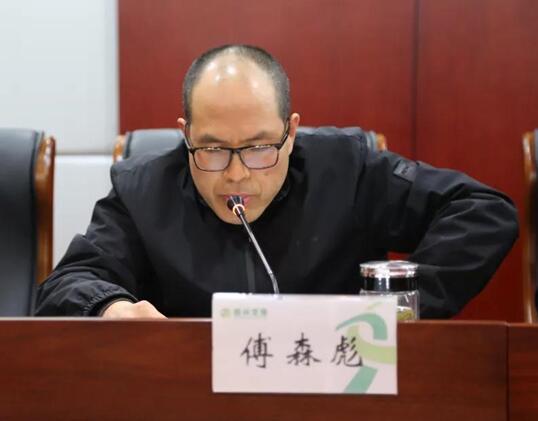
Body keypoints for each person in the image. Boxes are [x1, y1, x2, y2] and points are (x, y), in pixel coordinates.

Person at [35, 44, 518, 319]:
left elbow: (483, 211)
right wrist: (110, 307)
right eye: (212, 149)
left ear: (291, 133)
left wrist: (401, 305)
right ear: (186, 136)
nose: (237, 173)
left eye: (259, 147)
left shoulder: (346, 170)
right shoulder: (143, 189)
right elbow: (66, 285)